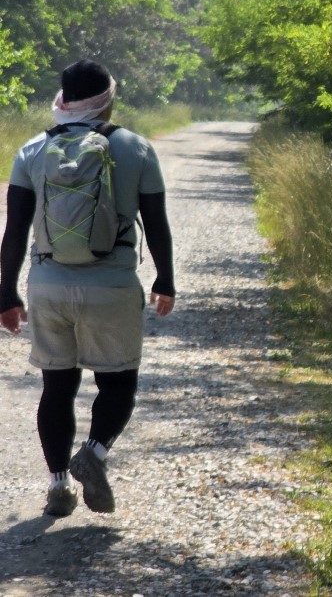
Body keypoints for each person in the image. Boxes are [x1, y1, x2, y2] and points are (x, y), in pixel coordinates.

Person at [0, 59, 175, 517]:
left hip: (48, 285)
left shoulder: (32, 150)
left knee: (56, 385)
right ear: (108, 99)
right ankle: (93, 454)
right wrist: (165, 280)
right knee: (118, 382)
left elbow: (14, 231)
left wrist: (5, 293)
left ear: (63, 100)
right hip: (111, 286)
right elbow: (155, 222)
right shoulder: (136, 149)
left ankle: (58, 486)